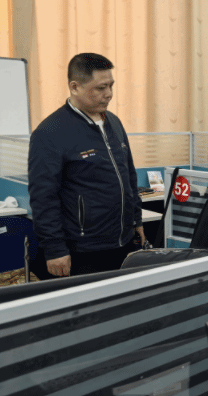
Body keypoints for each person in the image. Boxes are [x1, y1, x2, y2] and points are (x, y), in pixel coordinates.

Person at [28, 53, 144, 279]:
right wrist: (54, 248)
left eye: (111, 85)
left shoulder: (114, 122)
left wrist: (136, 220)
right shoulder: (50, 133)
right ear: (74, 87)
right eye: (100, 88)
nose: (109, 94)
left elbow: (129, 176)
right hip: (83, 250)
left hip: (122, 242)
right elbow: (43, 197)